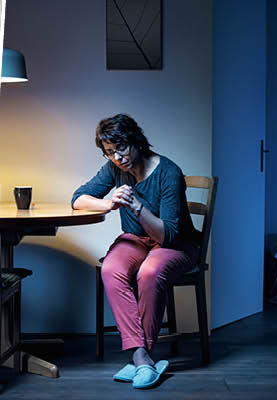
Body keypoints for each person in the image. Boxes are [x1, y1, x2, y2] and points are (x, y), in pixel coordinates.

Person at [71, 113, 200, 389]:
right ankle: (142, 357)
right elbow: (78, 199)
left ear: (136, 141)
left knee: (150, 272)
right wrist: (109, 204)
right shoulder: (114, 169)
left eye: (121, 148)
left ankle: (142, 358)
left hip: (176, 244)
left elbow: (168, 235)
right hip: (136, 241)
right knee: (110, 268)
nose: (117, 157)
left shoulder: (169, 172)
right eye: (109, 152)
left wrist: (137, 206)